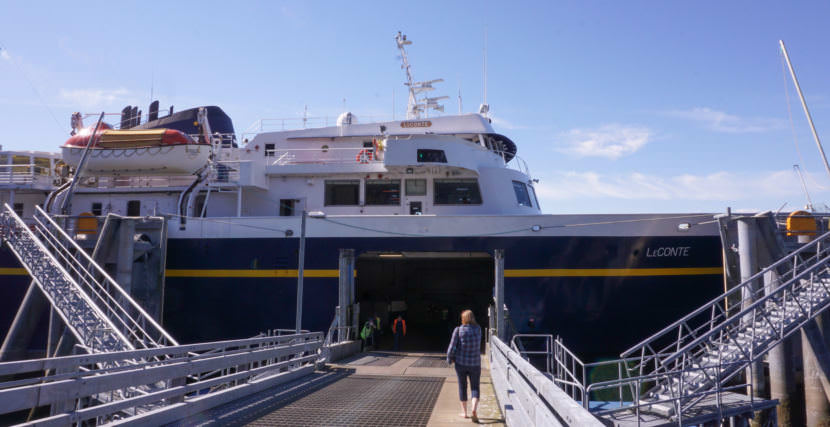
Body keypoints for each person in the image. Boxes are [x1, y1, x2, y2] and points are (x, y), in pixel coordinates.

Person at [447, 309, 482, 422]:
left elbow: (451, 348)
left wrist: (449, 359)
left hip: (461, 363)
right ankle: (474, 409)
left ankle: (465, 413)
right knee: (475, 387)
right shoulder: (478, 329)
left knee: (462, 386)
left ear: (464, 318)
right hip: (475, 363)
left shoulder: (458, 330)